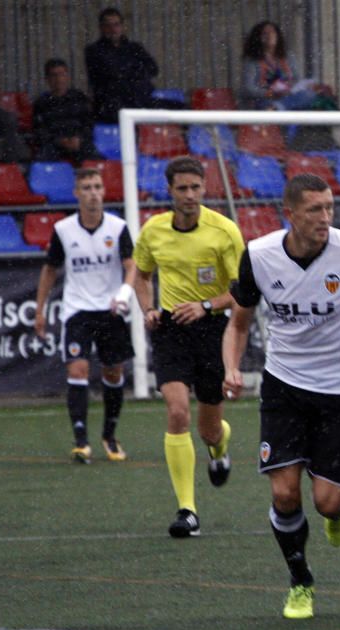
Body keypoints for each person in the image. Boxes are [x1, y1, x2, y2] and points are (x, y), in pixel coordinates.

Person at [222, 174, 340, 619]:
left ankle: (339, 508)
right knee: (286, 494)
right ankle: (300, 581)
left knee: (326, 503)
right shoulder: (260, 255)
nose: (325, 217)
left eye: (329, 207)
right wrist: (232, 368)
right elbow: (237, 322)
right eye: (314, 210)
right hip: (283, 385)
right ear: (289, 213)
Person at [132, 156, 245, 539]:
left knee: (209, 429)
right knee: (177, 412)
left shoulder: (224, 232)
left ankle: (219, 445)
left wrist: (206, 305)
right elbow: (141, 275)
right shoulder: (153, 231)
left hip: (212, 329)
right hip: (170, 330)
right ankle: (187, 510)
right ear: (170, 191)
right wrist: (148, 309)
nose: (190, 195)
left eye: (196, 188)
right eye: (182, 188)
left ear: (204, 188)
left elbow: (242, 289)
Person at [33, 167, 135, 463]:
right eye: (87, 187)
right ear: (77, 193)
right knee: (77, 370)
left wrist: (124, 294)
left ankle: (109, 435)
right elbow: (50, 269)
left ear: (104, 191)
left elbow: (131, 266)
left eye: (97, 187)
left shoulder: (117, 228)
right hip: (77, 310)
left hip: (111, 311)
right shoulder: (64, 230)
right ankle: (81, 441)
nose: (93, 193)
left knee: (113, 371)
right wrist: (40, 309)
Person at [84, 7, 160, 124]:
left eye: (116, 24)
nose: (113, 29)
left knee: (179, 108)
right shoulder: (94, 51)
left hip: (139, 99)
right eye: (108, 25)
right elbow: (107, 77)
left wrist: (127, 73)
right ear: (101, 28)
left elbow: (153, 69)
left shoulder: (135, 47)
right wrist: (135, 70)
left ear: (122, 27)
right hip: (111, 104)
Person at [240, 21, 335, 112]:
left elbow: (297, 79)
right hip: (265, 99)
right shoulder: (251, 60)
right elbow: (248, 88)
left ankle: (275, 109)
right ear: (258, 38)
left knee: (309, 95)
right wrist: (270, 93)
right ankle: (277, 108)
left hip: (289, 96)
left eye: (272, 32)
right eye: (265, 33)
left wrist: (296, 88)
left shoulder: (288, 56)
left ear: (278, 36)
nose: (269, 36)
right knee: (290, 105)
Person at [33, 58, 100, 164]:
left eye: (62, 74)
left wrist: (79, 138)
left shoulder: (79, 98)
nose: (58, 79)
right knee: (41, 163)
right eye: (54, 75)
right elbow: (39, 131)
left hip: (79, 143)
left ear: (67, 76)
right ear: (47, 79)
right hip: (53, 146)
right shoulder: (41, 103)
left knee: (98, 162)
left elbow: (89, 123)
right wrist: (59, 141)